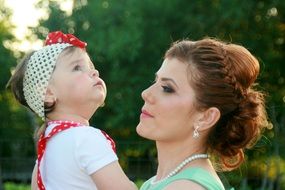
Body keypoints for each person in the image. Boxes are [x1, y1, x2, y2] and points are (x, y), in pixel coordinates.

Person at [7, 31, 137, 190]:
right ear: (47, 93)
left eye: (90, 67)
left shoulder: (44, 154)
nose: (94, 72)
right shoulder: (87, 138)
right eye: (77, 67)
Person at [136, 38, 271, 190]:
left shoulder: (189, 187)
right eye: (155, 81)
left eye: (167, 88)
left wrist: (102, 146)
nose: (146, 94)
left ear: (206, 117)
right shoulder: (156, 183)